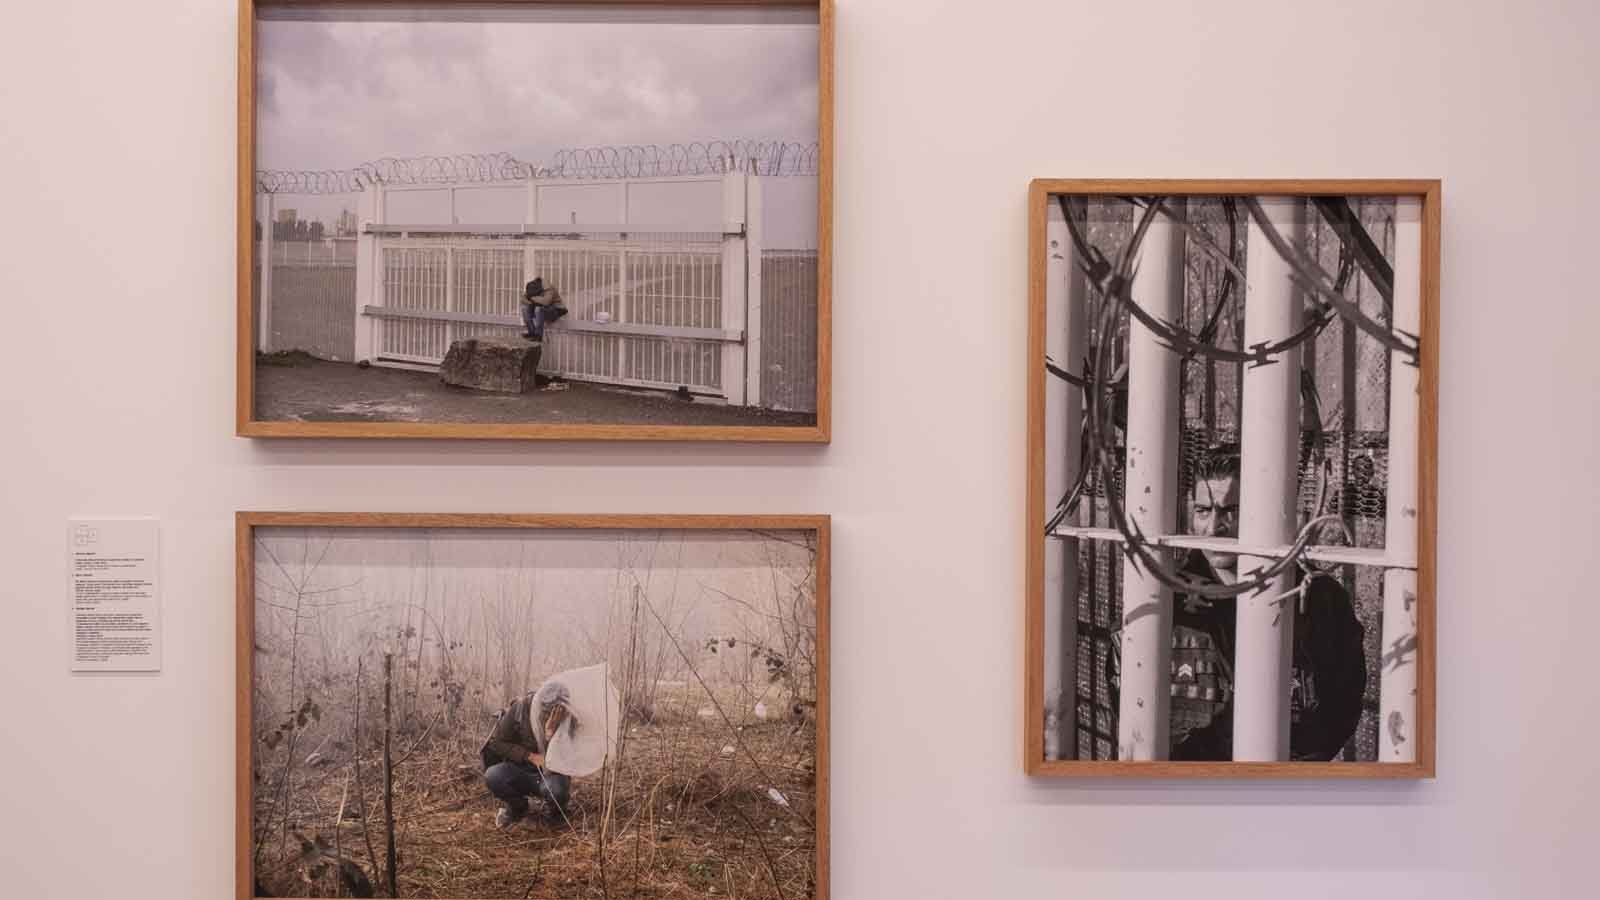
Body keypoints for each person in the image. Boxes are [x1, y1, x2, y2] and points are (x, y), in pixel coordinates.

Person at [1166, 444, 1368, 761]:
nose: (1213, 527)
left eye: (1231, 510)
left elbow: (1341, 705)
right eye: (1203, 510)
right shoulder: (1168, 600)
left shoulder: (1320, 599)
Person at [480, 679, 573, 827]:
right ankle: (519, 807)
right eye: (547, 711)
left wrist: (550, 734)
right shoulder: (521, 709)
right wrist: (528, 756)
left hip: (551, 774)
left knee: (556, 790)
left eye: (557, 709)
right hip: (521, 769)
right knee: (493, 775)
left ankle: (556, 813)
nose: (551, 714)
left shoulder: (568, 718)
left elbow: (569, 757)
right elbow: (498, 743)